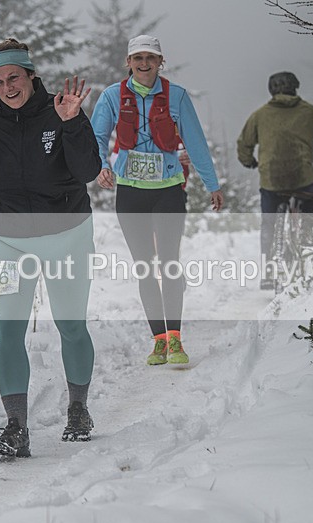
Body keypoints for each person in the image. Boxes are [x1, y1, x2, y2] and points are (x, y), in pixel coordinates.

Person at [0, 38, 102, 457]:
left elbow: (89, 169)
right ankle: (16, 427)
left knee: (70, 325)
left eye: (13, 77)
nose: (6, 87)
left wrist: (71, 123)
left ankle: (78, 410)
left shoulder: (62, 106)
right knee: (8, 332)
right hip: (8, 241)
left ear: (30, 74)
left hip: (68, 233)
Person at [91, 35, 223, 366]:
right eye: (138, 58)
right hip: (131, 191)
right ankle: (159, 342)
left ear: (160, 62)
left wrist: (212, 184)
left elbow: (195, 141)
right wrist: (101, 166)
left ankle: (176, 338)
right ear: (129, 62)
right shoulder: (111, 96)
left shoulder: (176, 96)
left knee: (169, 262)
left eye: (151, 57)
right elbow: (96, 136)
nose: (144, 63)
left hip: (168, 189)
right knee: (144, 267)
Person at [236, 71, 313, 289]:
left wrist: (249, 161)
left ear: (271, 90)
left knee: (269, 223)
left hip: (272, 181)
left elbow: (244, 144)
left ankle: (268, 272)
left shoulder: (259, 115)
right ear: (295, 88)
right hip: (303, 179)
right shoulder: (311, 112)